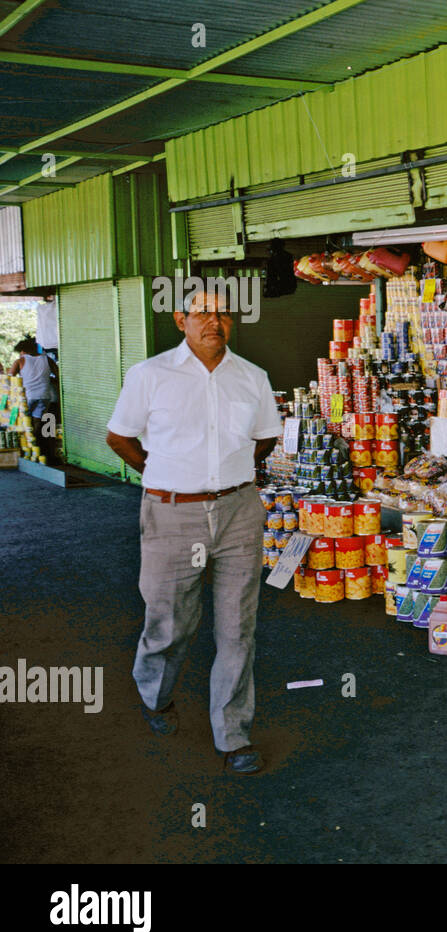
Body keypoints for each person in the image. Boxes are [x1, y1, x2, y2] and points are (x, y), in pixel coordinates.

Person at [106, 290, 281, 774]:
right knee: (169, 622)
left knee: (237, 629)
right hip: (171, 514)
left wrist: (228, 475)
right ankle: (155, 696)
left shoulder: (252, 378)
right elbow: (119, 436)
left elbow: (265, 436)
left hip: (238, 511)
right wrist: (162, 473)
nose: (214, 321)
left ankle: (233, 736)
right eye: (202, 312)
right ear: (181, 318)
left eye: (223, 312)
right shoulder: (150, 375)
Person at [9, 336, 58, 461]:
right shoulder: (47, 359)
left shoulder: (20, 361)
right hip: (45, 396)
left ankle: (27, 450)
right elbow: (58, 376)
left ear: (23, 350)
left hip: (27, 396)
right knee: (36, 423)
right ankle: (37, 448)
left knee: (25, 422)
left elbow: (9, 379)